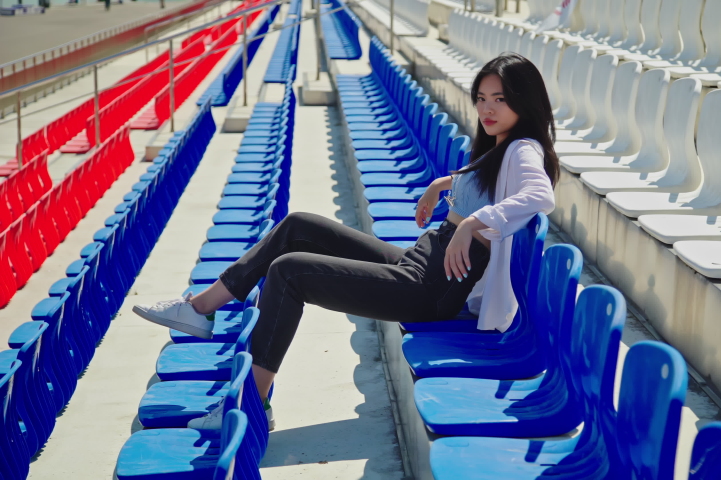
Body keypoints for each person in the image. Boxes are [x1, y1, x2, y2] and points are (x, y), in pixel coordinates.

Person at [132, 52, 561, 429]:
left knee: (289, 272)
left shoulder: (524, 148)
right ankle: (201, 308)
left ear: (523, 102)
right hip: (419, 263)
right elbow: (487, 182)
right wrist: (443, 183)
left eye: (499, 100)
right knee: (299, 224)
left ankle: (251, 402)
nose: (487, 109)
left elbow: (540, 195)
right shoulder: (501, 145)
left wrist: (471, 224)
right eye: (482, 98)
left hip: (431, 289)